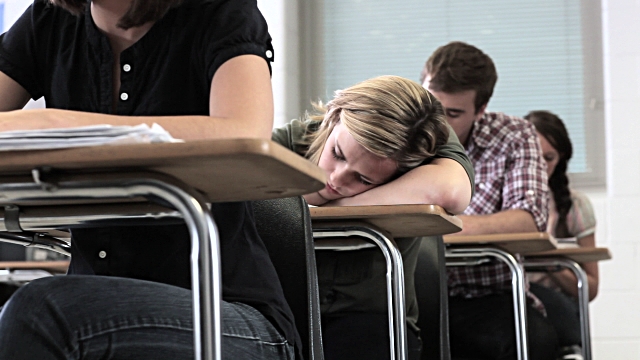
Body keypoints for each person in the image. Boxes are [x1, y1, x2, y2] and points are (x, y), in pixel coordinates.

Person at [0, 0, 298, 359]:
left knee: (40, 312)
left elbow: (246, 134)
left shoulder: (220, 11)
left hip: (228, 317)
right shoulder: (48, 20)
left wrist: (63, 124)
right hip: (88, 313)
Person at [272, 74, 474, 360]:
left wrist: (324, 208)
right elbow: (234, 186)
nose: (337, 179)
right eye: (337, 153)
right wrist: (313, 198)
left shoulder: (416, 133)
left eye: (364, 179)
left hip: (373, 320)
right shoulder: (294, 138)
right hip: (288, 310)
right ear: (334, 115)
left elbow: (451, 191)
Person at [420, 41, 559, 360]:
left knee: (534, 341)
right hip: (414, 292)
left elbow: (526, 222)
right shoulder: (403, 126)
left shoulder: (515, 136)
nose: (437, 122)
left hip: (489, 295)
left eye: (453, 113)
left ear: (481, 110)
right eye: (432, 107)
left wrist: (434, 228)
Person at [524, 110, 599, 355]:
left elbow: (590, 287)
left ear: (561, 159)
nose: (540, 166)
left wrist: (547, 262)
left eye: (549, 158)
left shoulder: (575, 206)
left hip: (555, 304)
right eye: (534, 157)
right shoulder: (502, 201)